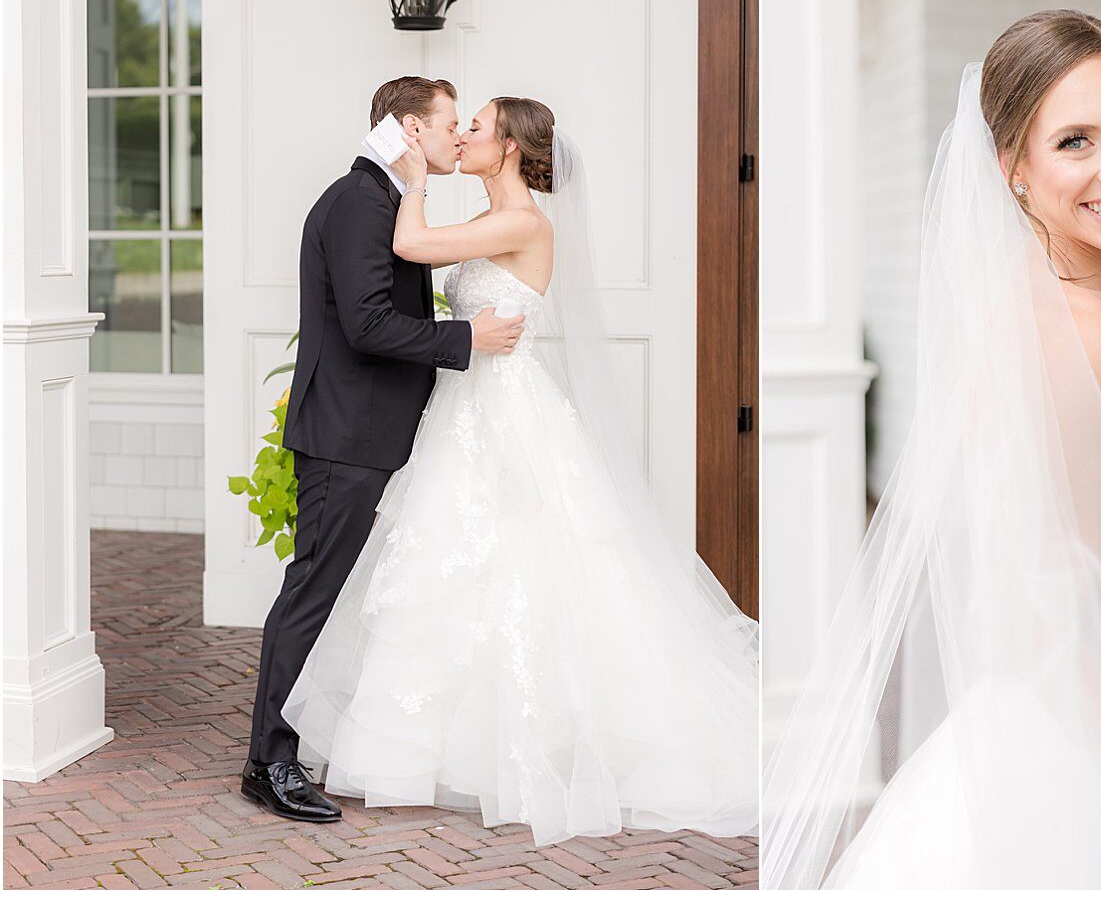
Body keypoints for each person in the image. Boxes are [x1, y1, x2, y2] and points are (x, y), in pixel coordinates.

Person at [761, 13, 1101, 888]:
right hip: (1086, 761)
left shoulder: (1087, 311)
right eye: (1074, 141)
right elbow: (1044, 636)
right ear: (1012, 169)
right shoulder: (1077, 334)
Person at [282, 96, 759, 847]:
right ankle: (452, 746)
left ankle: (539, 745)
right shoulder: (491, 224)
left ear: (507, 146)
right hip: (466, 407)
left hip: (507, 414)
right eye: (459, 123)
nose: (463, 134)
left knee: (523, 565)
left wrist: (410, 175)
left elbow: (410, 247)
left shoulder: (525, 222)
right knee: (466, 571)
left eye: (476, 125)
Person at [243, 77, 522, 824]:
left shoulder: (385, 200)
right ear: (407, 129)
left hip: (373, 433)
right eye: (444, 124)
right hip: (345, 436)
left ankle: (299, 741)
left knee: (344, 596)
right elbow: (366, 325)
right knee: (314, 592)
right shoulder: (358, 202)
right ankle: (269, 760)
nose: (454, 136)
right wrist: (465, 338)